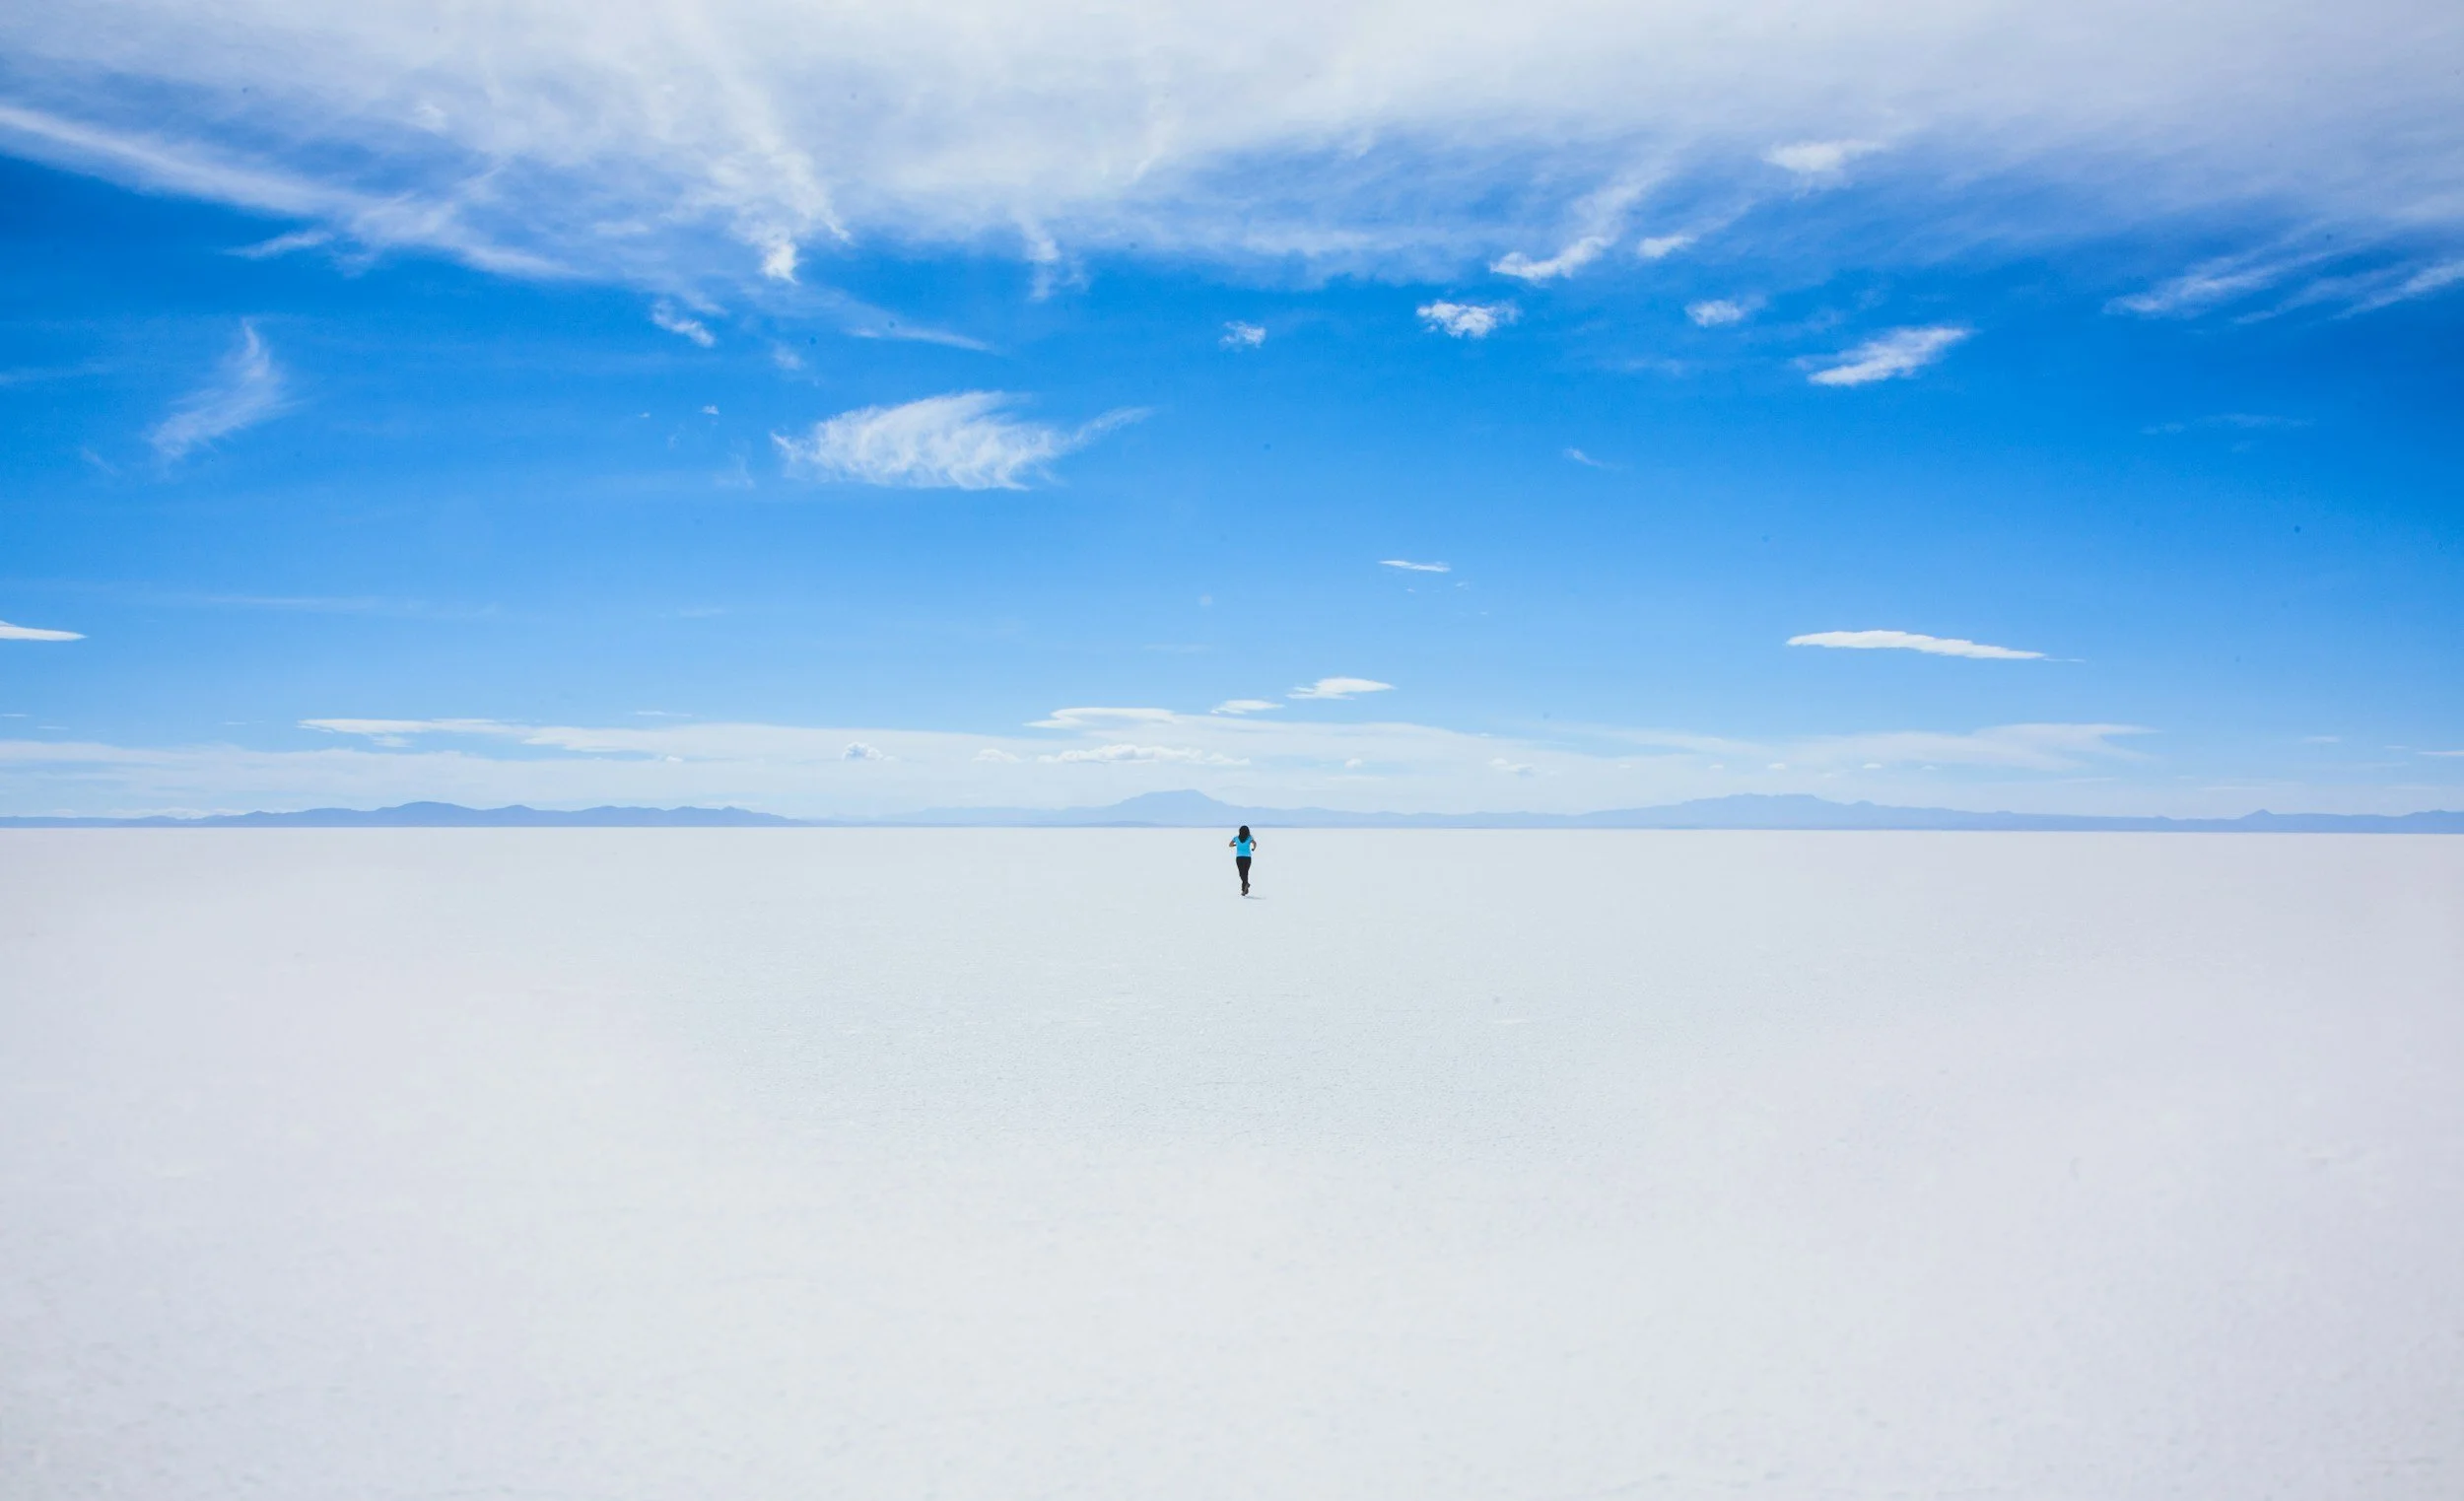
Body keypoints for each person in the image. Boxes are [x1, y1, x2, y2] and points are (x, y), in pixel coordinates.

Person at [1228, 825, 1257, 895]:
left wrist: (1236, 845)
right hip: (1248, 857)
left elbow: (1230, 845)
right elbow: (1254, 843)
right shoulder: (1249, 838)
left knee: (1241, 873)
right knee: (1245, 872)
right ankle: (1245, 889)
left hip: (1239, 857)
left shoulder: (1236, 838)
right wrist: (1253, 848)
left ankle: (1245, 887)